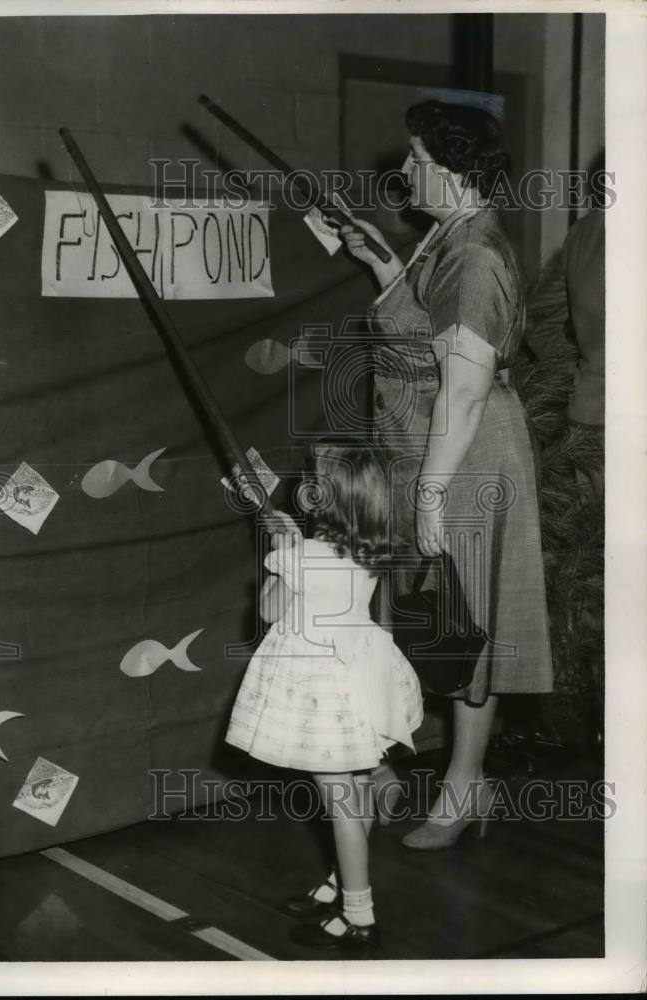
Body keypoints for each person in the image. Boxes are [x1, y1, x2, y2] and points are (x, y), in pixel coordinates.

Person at [340, 99, 553, 849]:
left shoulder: (476, 252)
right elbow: (428, 322)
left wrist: (431, 491)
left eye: (417, 159)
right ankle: (418, 774)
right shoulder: (449, 235)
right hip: (425, 446)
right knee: (429, 625)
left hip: (461, 457)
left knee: (467, 627)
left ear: (455, 169)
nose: (405, 172)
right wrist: (384, 263)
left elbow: (462, 391)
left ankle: (464, 785)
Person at [225, 443, 423, 951]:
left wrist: (281, 560)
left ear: (326, 499)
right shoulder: (370, 547)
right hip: (361, 675)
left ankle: (360, 913)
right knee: (353, 793)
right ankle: (340, 885)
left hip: (320, 688)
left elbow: (270, 612)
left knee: (340, 803)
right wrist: (293, 547)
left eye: (314, 481)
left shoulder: (305, 558)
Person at [525, 205, 605, 502]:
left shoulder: (587, 230)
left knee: (600, 539)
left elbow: (537, 317)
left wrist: (581, 374)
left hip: (591, 418)